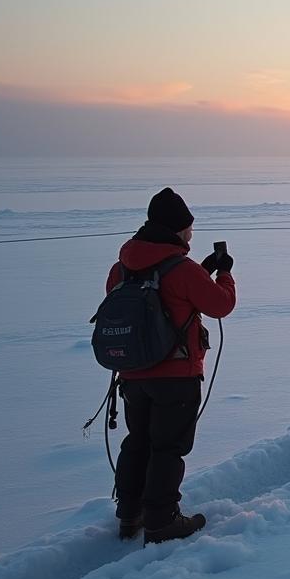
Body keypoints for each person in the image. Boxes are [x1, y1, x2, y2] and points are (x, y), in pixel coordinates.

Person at [109, 188, 236, 544]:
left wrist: (201, 270)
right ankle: (162, 520)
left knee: (138, 441)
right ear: (179, 230)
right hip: (175, 374)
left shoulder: (121, 267)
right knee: (167, 446)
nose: (192, 234)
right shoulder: (180, 268)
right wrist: (223, 273)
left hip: (132, 372)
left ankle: (129, 513)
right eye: (189, 228)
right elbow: (221, 305)